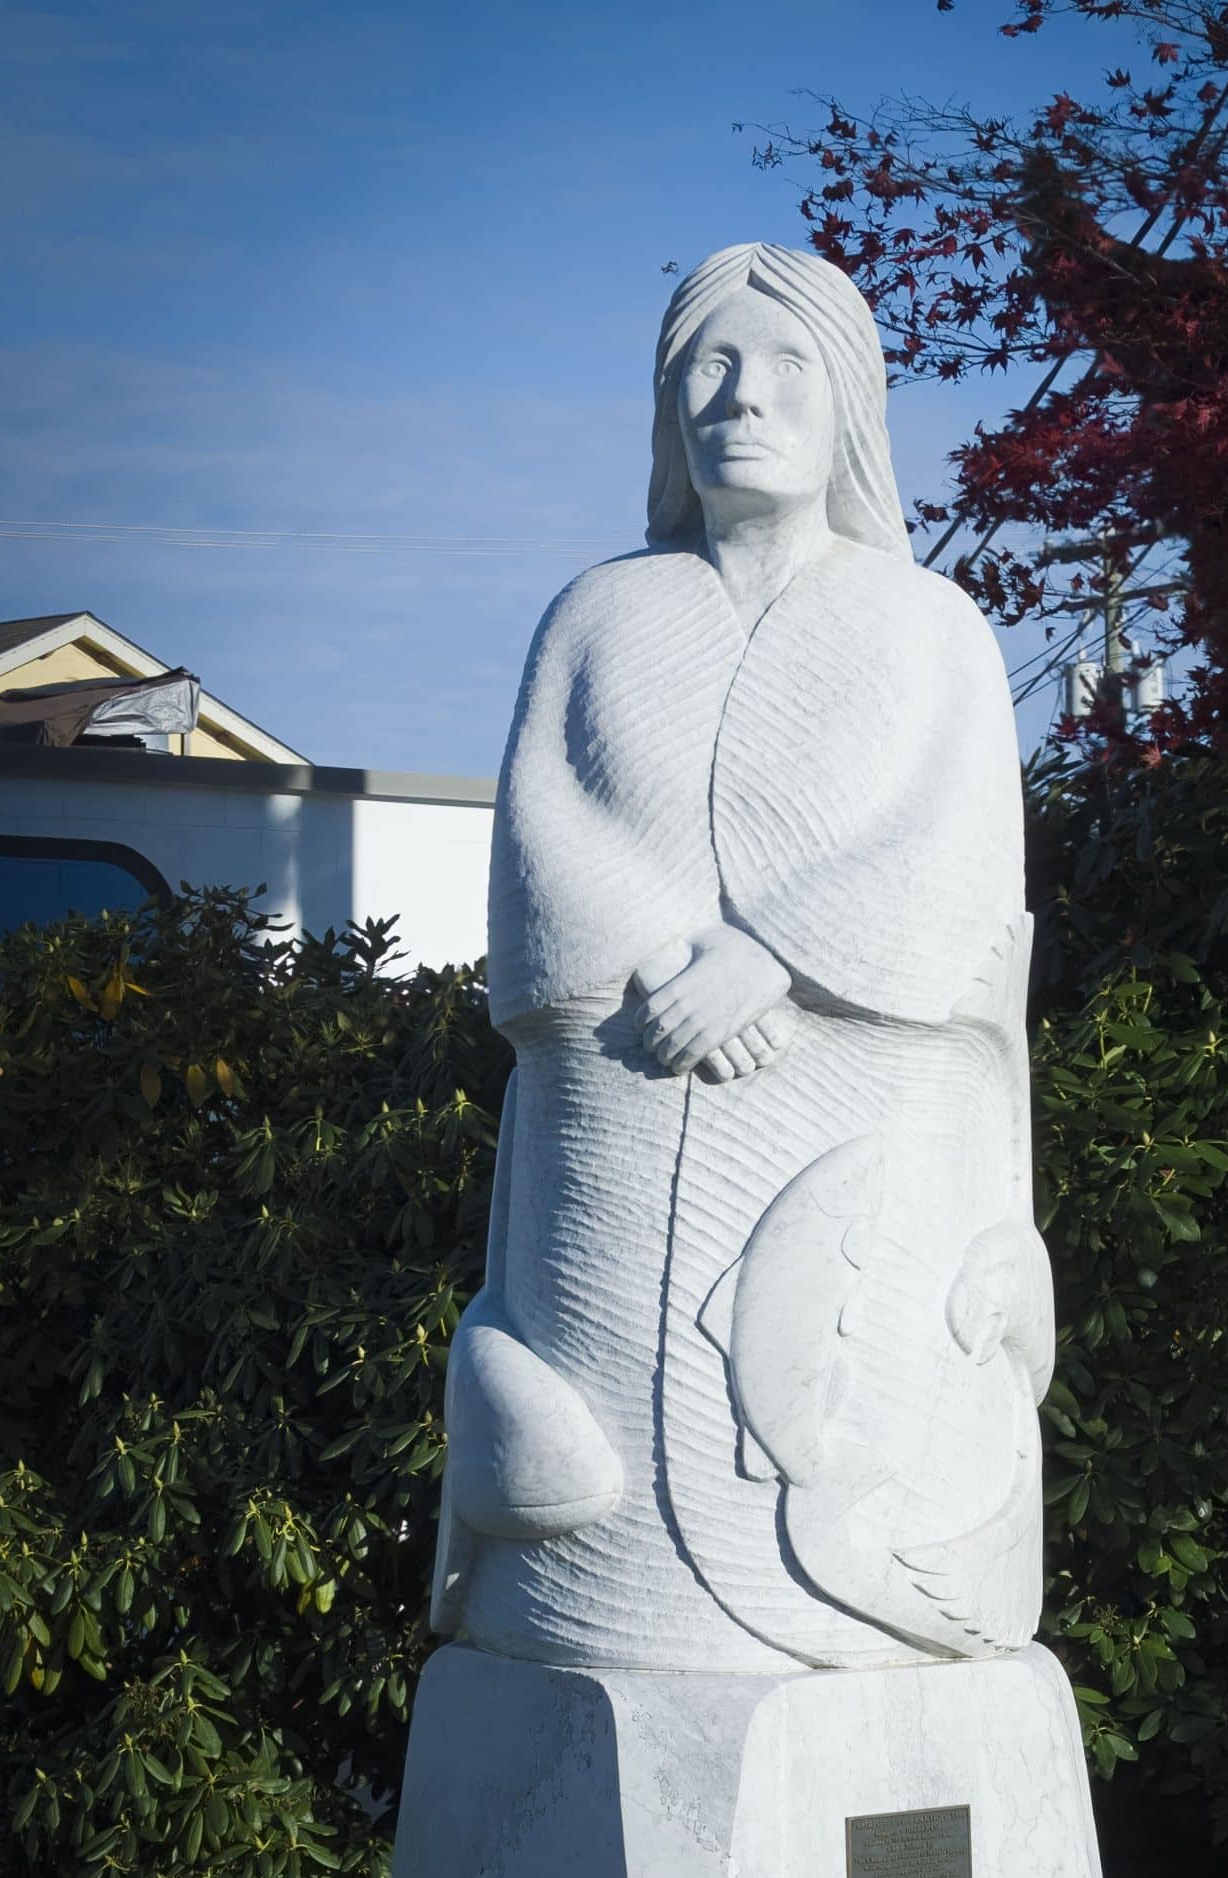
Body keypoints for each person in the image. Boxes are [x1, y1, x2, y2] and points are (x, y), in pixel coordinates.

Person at [434, 241, 1053, 1673]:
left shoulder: (927, 627)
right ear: (665, 410)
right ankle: (592, 1606)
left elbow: (951, 851)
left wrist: (777, 951)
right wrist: (664, 961)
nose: (740, 398)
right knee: (604, 1467)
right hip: (625, 1084)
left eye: (785, 367)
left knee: (840, 1420)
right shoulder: (601, 614)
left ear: (850, 406)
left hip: (854, 1103)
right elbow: (545, 824)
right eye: (706, 367)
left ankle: (874, 1589)